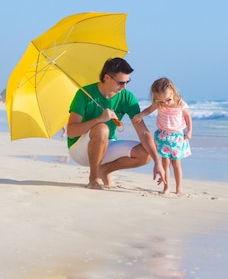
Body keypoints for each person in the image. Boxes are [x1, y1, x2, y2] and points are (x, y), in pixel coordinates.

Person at [66, 58, 166, 190]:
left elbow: (143, 132)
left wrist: (157, 161)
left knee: (147, 153)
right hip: (80, 148)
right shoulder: (84, 94)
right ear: (107, 77)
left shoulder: (126, 97)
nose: (124, 86)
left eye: (127, 82)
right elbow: (71, 131)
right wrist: (98, 119)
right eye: (121, 82)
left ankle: (104, 170)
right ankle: (94, 178)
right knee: (102, 128)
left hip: (106, 143)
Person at [133, 77, 192, 194]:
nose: (165, 103)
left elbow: (187, 117)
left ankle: (179, 188)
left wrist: (189, 131)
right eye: (161, 101)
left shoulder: (180, 103)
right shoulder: (158, 104)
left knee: (176, 164)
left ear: (173, 92)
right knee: (165, 163)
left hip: (177, 137)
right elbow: (149, 110)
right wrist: (140, 115)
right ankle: (166, 187)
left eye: (168, 100)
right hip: (163, 136)